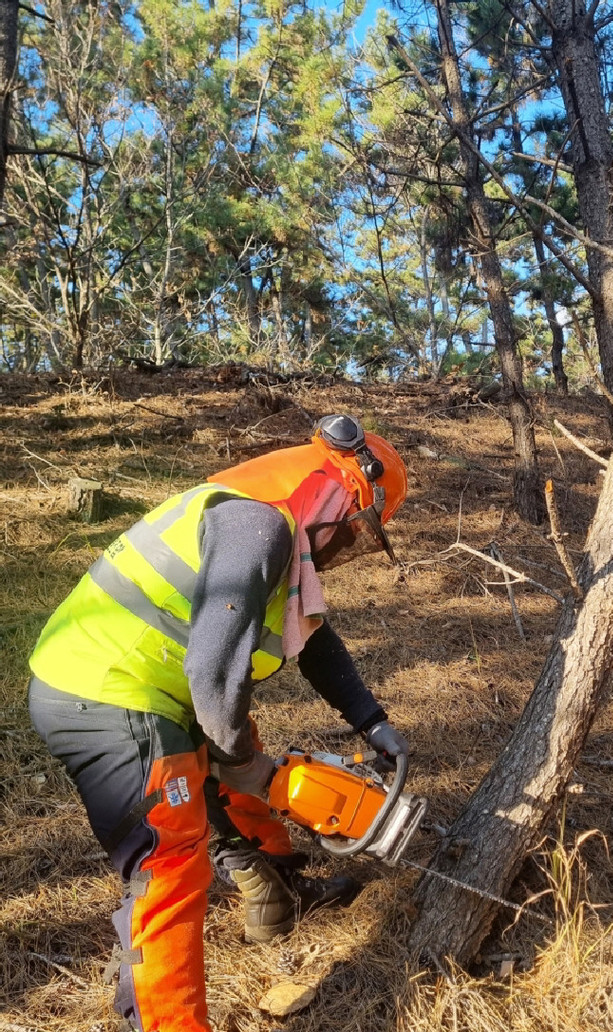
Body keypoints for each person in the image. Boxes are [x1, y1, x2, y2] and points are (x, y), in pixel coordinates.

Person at [27, 413, 410, 1032]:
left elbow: (312, 639)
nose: (349, 548)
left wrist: (371, 721)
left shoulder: (275, 525)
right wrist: (247, 766)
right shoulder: (256, 526)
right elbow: (212, 671)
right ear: (343, 496)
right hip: (106, 693)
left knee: (238, 751)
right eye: (360, 529)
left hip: (154, 687)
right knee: (171, 862)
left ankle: (276, 894)